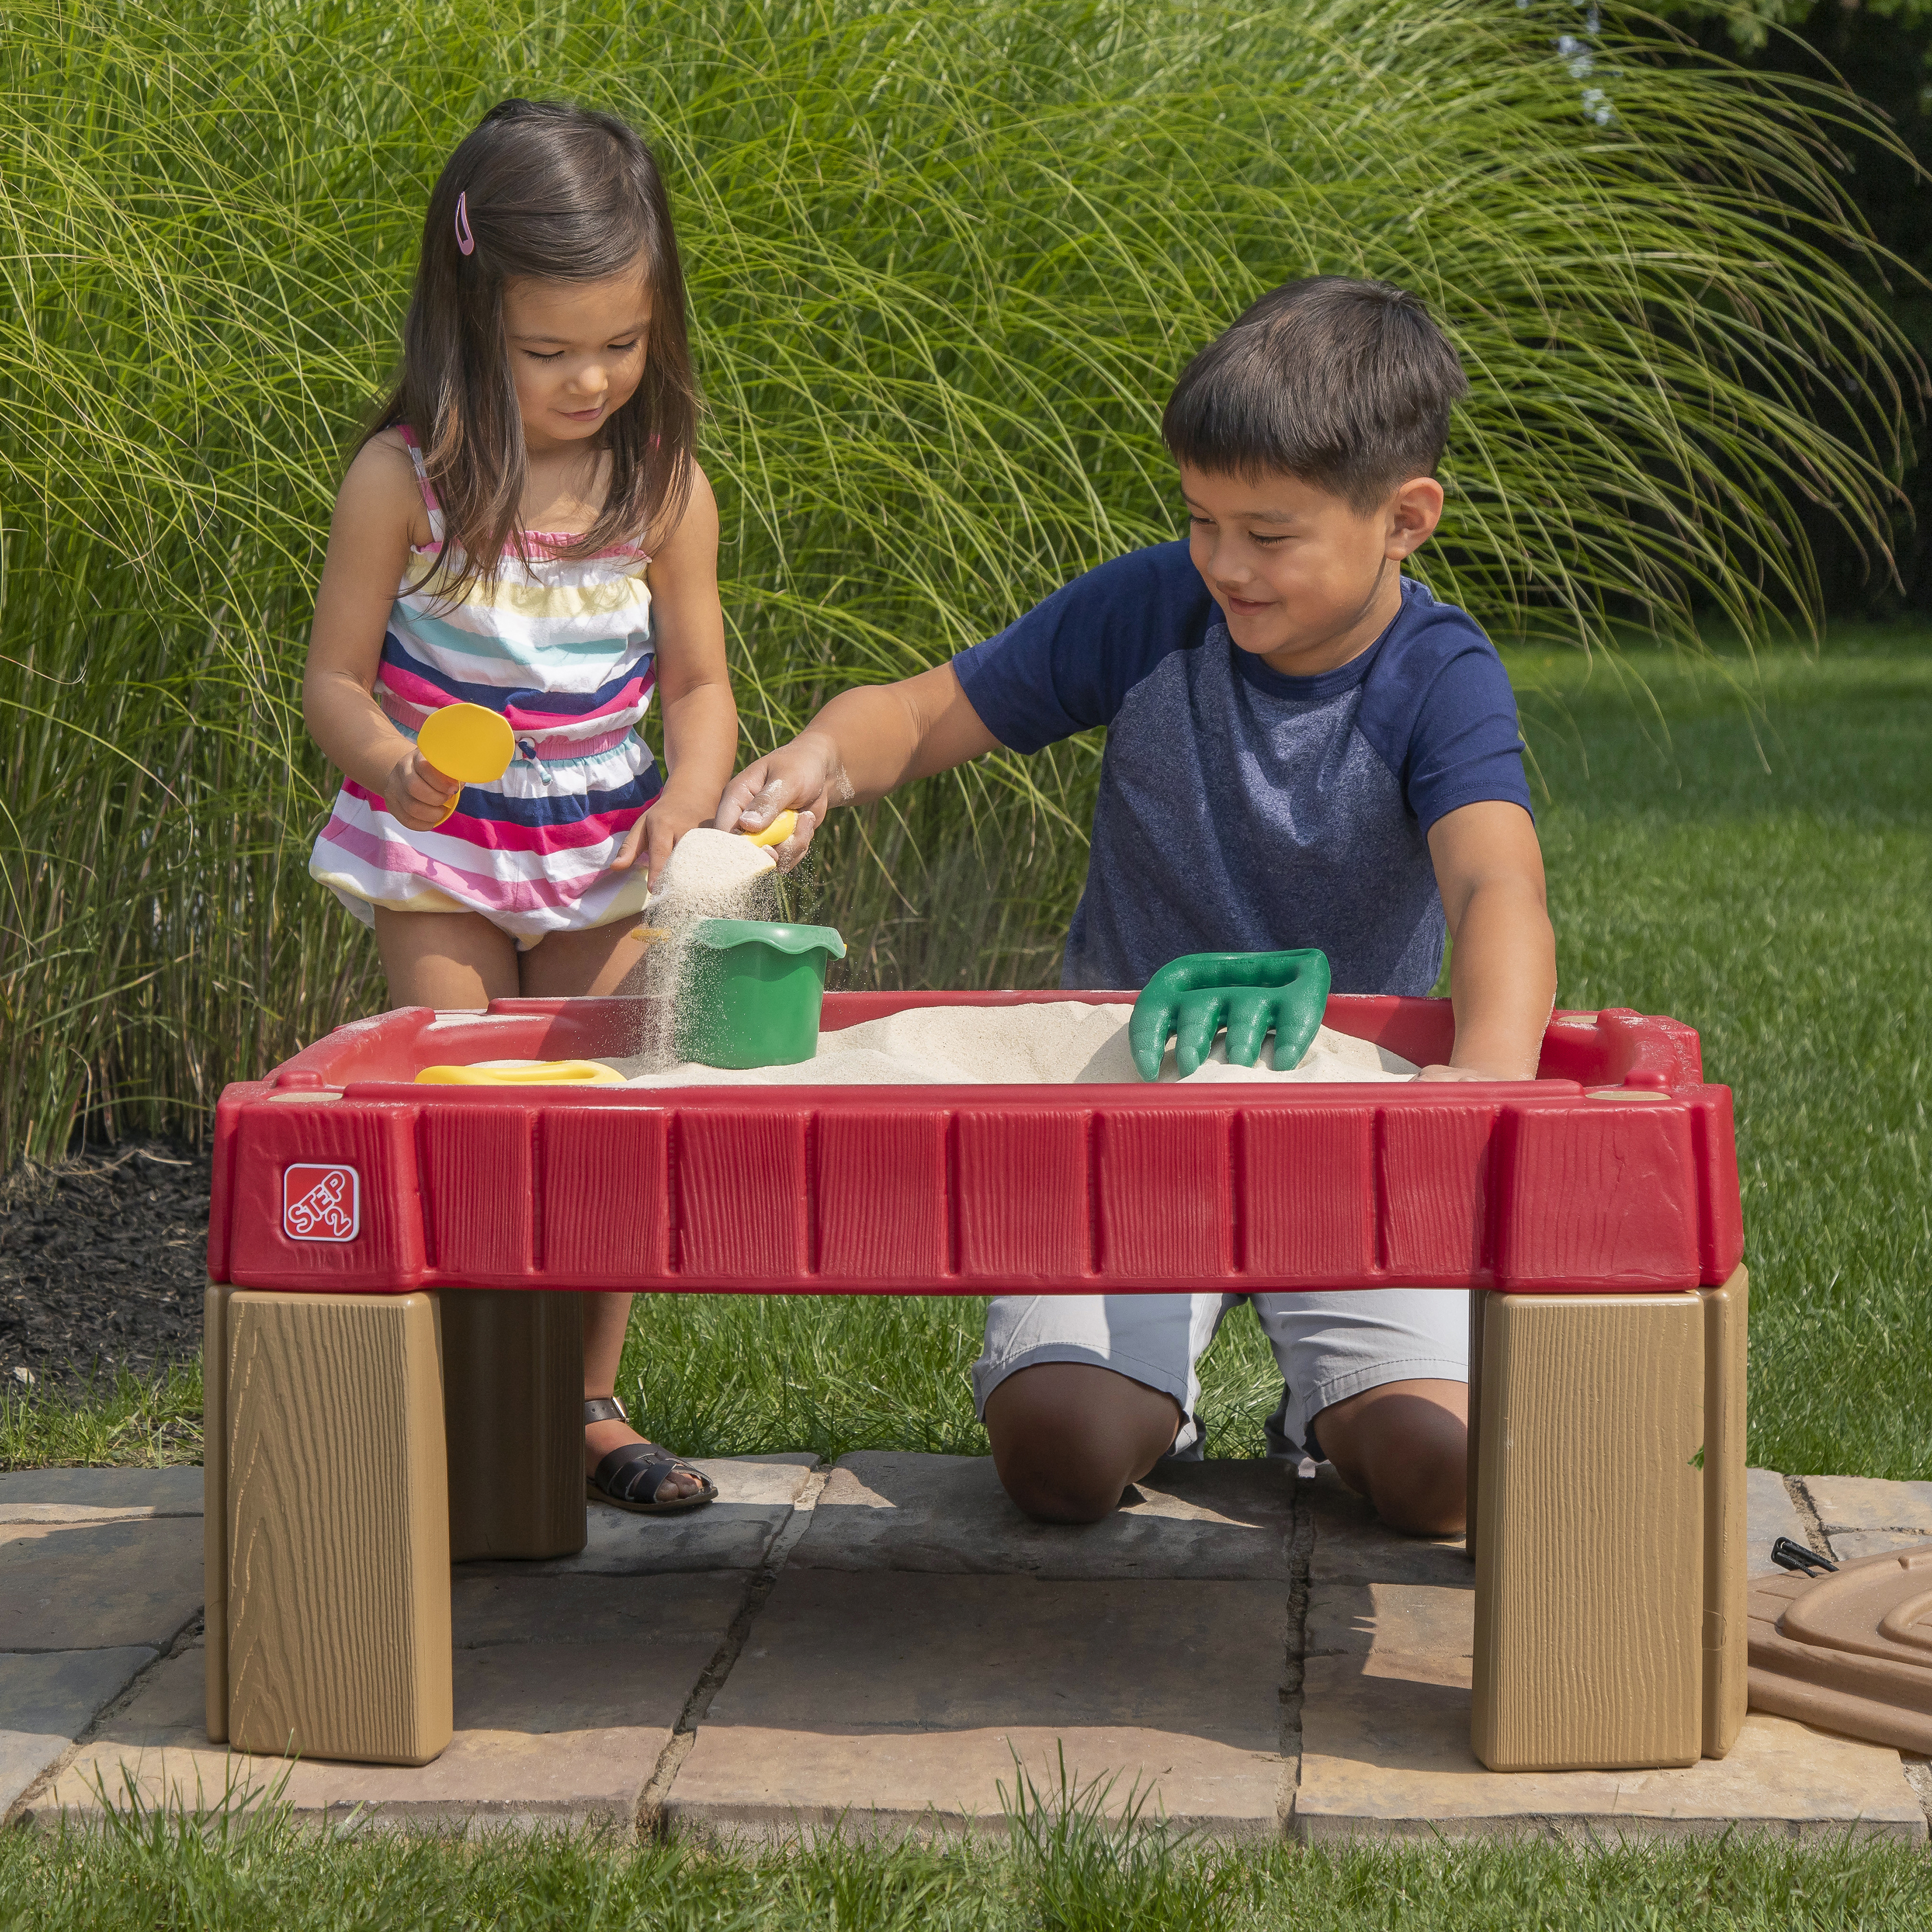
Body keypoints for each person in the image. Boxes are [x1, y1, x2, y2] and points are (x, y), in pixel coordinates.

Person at [714, 277, 1557, 1537]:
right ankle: (1156, 1388)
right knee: (1059, 1456)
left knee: (1445, 1474)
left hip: (1349, 1128)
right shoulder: (1159, 608)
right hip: (1128, 1107)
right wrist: (829, 754)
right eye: (1201, 520)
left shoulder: (1437, 676)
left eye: (1268, 535)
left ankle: (1324, 1400)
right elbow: (923, 710)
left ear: (1405, 518)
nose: (1223, 564)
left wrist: (1484, 1075)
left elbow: (1498, 882)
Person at [304, 100, 731, 1515]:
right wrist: (388, 760)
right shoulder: (404, 483)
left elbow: (700, 686)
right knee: (464, 1103)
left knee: (601, 1120)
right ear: (471, 311)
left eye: (623, 343)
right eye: (552, 351)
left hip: (604, 852)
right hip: (442, 852)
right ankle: (473, 1399)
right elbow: (333, 684)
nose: (593, 378)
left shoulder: (661, 488)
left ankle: (590, 1400)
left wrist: (693, 796)